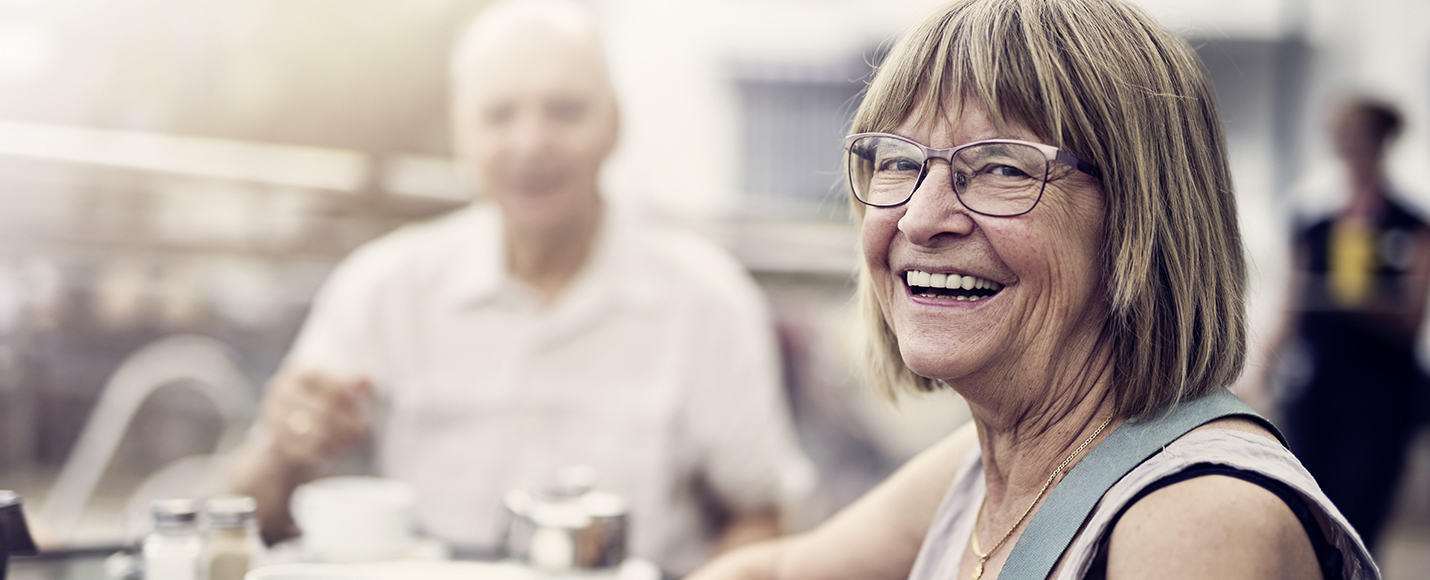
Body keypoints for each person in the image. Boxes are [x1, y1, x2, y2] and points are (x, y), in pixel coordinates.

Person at [688, 0, 1379, 579]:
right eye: (899, 160)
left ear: (1144, 216)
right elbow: (774, 572)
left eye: (1002, 169)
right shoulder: (996, 462)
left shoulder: (1198, 523)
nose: (922, 218)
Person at [226, 0, 811, 574]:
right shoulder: (383, 286)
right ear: (462, 133)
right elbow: (251, 518)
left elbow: (762, 511)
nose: (531, 143)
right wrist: (284, 449)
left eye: (564, 110)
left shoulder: (707, 298)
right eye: (499, 114)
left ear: (615, 124)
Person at [1272, 97, 1430, 553]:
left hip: (1381, 396)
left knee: (1360, 518)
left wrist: (1354, 295)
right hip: (1320, 391)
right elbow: (1290, 306)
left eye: (1362, 137)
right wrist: (1255, 376)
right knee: (1308, 515)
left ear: (1383, 141)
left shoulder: (1410, 224)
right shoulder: (1314, 225)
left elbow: (1411, 316)